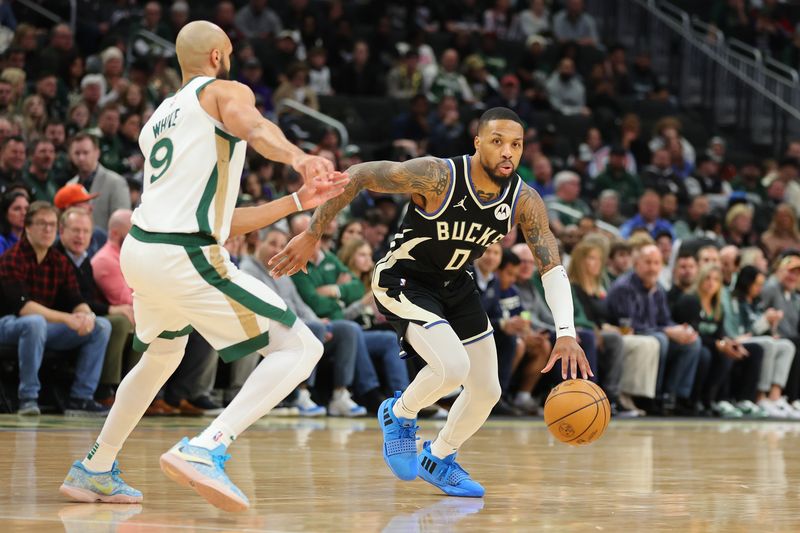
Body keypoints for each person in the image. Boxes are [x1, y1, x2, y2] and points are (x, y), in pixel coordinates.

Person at [59, 21, 348, 511]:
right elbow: (256, 127)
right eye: (230, 53)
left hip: (144, 249)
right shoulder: (224, 91)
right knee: (300, 347)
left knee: (161, 356)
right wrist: (299, 156)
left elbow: (222, 216)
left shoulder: (159, 121)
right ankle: (206, 448)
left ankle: (94, 468)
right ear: (217, 56)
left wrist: (296, 200)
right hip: (183, 254)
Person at [271, 107, 591, 497]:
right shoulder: (438, 175)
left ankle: (438, 456)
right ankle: (399, 414)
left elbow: (551, 266)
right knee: (452, 367)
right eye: (497, 142)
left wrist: (566, 332)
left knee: (488, 389)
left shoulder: (524, 200)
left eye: (516, 145)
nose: (508, 152)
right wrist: (313, 233)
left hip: (455, 285)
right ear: (477, 143)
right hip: (404, 279)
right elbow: (359, 176)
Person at [0, 202, 111, 416]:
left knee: (101, 326)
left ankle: (81, 398)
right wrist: (67, 319)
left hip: (42, 329)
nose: (48, 229)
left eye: (52, 224)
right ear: (28, 227)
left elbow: (75, 298)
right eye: (42, 224)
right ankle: (28, 398)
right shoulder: (12, 258)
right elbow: (23, 307)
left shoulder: (59, 261)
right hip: (7, 325)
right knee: (34, 322)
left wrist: (86, 315)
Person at [731, 266, 799, 418]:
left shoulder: (756, 303)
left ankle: (775, 396)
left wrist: (772, 325)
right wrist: (764, 321)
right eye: (757, 284)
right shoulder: (736, 301)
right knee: (768, 344)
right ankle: (760, 396)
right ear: (747, 283)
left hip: (754, 338)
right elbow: (744, 331)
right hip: (739, 339)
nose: (760, 288)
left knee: (787, 345)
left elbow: (762, 331)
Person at [0, 190, 27, 255]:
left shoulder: (30, 240)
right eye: (17, 209)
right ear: (5, 213)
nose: (24, 213)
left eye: (27, 208)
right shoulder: (1, 242)